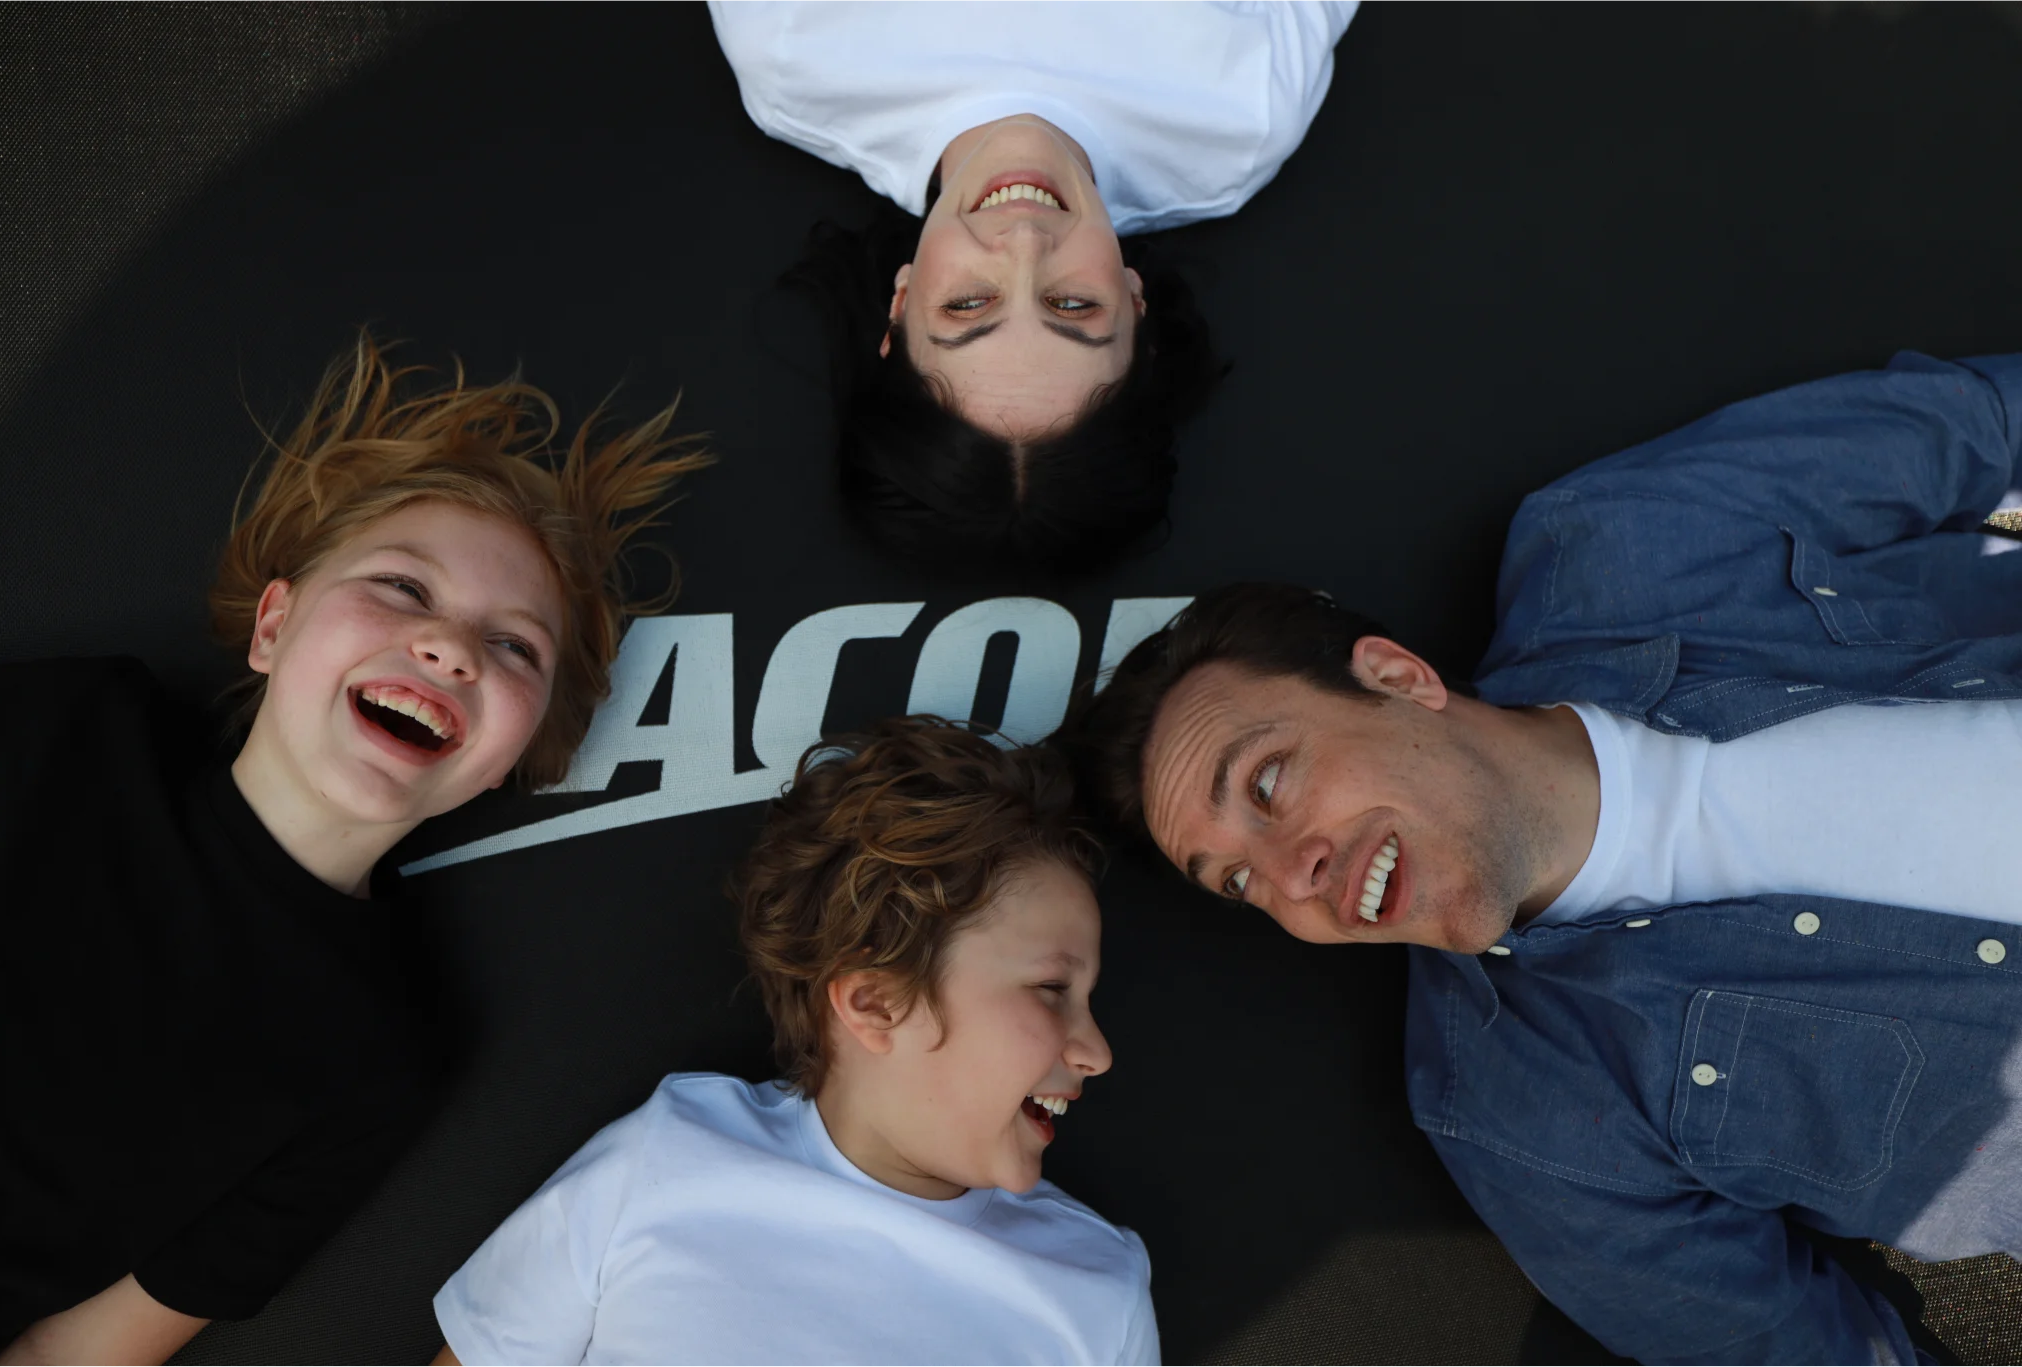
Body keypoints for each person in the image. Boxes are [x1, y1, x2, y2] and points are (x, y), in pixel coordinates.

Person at [1062, 351, 2022, 1367]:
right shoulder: (1526, 1119)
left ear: (1394, 676)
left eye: (1264, 785)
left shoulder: (1625, 543)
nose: (1288, 877)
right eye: (1237, 881)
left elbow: (1983, 425)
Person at [0, 336, 710, 1367]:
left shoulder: (380, 1058)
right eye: (403, 588)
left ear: (516, 755)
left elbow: (81, 1350)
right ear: (272, 624)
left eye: (513, 648)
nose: (450, 647)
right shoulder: (73, 728)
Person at [427, 719, 1156, 1367]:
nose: (1097, 1051)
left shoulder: (1097, 1290)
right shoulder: (666, 1159)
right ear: (877, 1002)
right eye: (1052, 990)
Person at [709, 0, 1360, 571]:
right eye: (1072, 304)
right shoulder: (1240, 124)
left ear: (900, 304)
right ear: (1138, 306)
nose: (1023, 241)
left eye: (968, 305)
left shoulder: (792, 54)